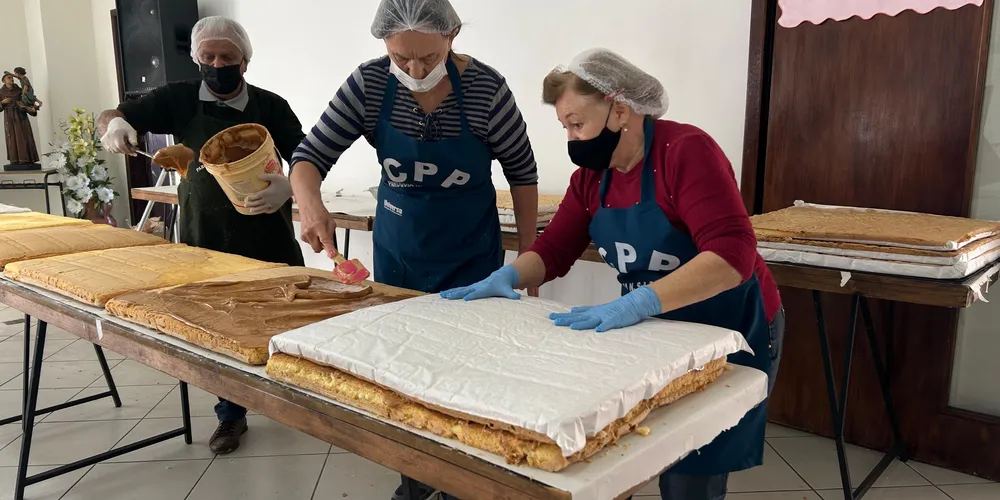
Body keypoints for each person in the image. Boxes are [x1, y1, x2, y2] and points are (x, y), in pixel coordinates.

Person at [442, 49, 785, 500]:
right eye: (564, 126)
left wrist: (638, 301)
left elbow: (732, 255)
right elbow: (554, 247)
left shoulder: (685, 152)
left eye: (576, 123)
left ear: (620, 110)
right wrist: (509, 275)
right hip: (658, 335)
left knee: (691, 473)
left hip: (729, 327)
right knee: (636, 451)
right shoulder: (593, 177)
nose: (571, 137)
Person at [97, 16, 306, 455]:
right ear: (196, 58)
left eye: (227, 57)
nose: (217, 64)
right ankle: (231, 415)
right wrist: (114, 126)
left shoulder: (270, 106)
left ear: (244, 62)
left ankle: (297, 399)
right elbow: (112, 114)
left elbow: (306, 155)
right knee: (219, 324)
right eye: (208, 57)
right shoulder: (176, 99)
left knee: (285, 316)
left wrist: (291, 186)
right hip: (204, 232)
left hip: (267, 227)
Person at [290, 0, 540, 295]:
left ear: (452, 35)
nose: (416, 70)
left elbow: (522, 173)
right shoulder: (369, 84)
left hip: (472, 261)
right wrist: (310, 206)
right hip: (397, 258)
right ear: (384, 41)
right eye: (400, 57)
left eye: (429, 57)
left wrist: (528, 255)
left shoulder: (487, 90)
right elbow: (310, 156)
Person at [1, 72, 39, 166]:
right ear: (3, 81)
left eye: (12, 78)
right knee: (12, 138)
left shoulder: (19, 90)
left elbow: (27, 101)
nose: (11, 79)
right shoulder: (1, 92)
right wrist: (2, 102)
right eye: (9, 78)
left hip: (21, 116)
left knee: (25, 137)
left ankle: (26, 159)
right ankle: (15, 160)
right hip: (9, 117)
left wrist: (32, 109)